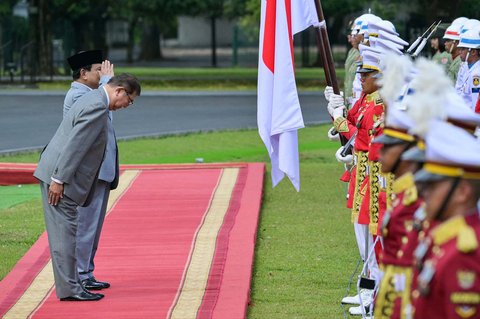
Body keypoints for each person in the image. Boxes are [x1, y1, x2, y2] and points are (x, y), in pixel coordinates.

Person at [34, 74, 141, 301]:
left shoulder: (93, 97)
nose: (127, 106)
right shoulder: (97, 107)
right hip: (60, 177)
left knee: (64, 234)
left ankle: (72, 286)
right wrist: (59, 180)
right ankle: (71, 289)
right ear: (119, 91)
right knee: (66, 235)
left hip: (55, 171)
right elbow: (76, 145)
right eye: (129, 100)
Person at [411, 121, 480, 319]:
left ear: (462, 192)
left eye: (433, 186)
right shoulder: (445, 239)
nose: (424, 193)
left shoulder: (463, 253)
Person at [65, 50, 117, 291]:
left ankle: (86, 271)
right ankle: (80, 274)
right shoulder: (78, 95)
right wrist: (107, 85)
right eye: (98, 70)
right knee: (85, 225)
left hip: (100, 171)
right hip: (88, 172)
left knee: (93, 227)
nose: (102, 74)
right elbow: (96, 115)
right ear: (83, 73)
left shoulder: (92, 94)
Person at [455, 26, 480, 110]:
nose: (459, 52)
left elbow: (475, 102)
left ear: (473, 52)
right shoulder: (468, 68)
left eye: (463, 49)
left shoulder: (476, 74)